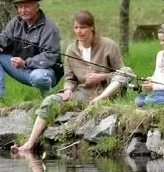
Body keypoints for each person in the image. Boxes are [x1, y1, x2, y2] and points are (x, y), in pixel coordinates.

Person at [12, 10, 133, 153]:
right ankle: (29, 144)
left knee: (128, 71)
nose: (79, 31)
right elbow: (69, 78)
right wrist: (68, 89)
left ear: (92, 27)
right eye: (76, 27)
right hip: (83, 94)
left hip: (108, 93)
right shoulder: (71, 50)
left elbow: (121, 72)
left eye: (83, 28)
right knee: (50, 100)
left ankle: (99, 100)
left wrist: (101, 77)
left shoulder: (108, 45)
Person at [0, 0, 63, 106]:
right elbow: (4, 38)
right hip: (22, 68)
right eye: (20, 7)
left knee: (38, 77)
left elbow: (50, 56)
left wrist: (26, 63)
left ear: (37, 7)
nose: (23, 10)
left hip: (45, 72)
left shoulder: (49, 28)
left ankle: (49, 97)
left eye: (27, 6)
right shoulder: (16, 22)